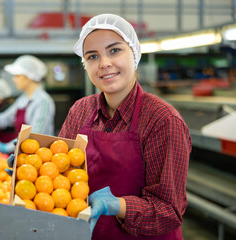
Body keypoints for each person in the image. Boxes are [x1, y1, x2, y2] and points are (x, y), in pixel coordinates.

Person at [58, 14, 192, 239]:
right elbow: (61, 171)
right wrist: (31, 166)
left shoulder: (162, 120)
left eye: (114, 50)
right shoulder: (80, 110)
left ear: (134, 53)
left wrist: (118, 206)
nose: (104, 64)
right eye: (92, 56)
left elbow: (169, 211)